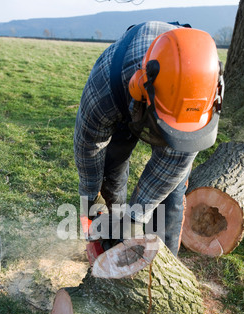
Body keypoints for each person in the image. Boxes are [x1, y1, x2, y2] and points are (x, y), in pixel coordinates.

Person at [74, 21, 224, 257]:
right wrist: (91, 197)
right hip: (124, 101)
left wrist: (136, 217)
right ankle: (110, 244)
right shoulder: (104, 88)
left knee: (171, 196)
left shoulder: (201, 99)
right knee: (108, 173)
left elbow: (171, 167)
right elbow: (88, 148)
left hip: (170, 105)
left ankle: (160, 264)